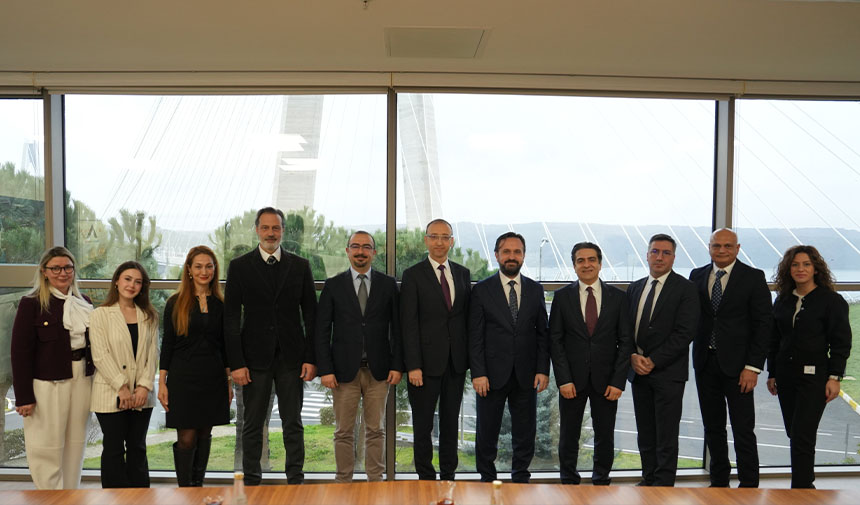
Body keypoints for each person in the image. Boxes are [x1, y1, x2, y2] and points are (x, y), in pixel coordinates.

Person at [224, 207, 318, 485]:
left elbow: (311, 316)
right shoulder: (239, 267)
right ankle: (252, 481)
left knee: (293, 423)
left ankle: (295, 479)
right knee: (252, 424)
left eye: (275, 228)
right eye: (265, 228)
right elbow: (231, 319)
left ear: (283, 231)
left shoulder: (300, 266)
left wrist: (311, 358)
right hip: (253, 360)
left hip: (292, 358)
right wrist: (236, 363)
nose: (270, 233)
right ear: (257, 230)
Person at [315, 231, 403, 482]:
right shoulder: (333, 285)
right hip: (343, 372)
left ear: (374, 252)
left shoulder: (388, 285)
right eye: (356, 246)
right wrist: (326, 370)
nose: (361, 251)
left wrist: (397, 365)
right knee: (343, 431)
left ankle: (375, 482)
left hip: (379, 371)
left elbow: (398, 329)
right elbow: (322, 331)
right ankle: (343, 481)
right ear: (347, 251)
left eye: (366, 247)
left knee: (376, 430)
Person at [689, 229, 771, 488]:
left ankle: (749, 485)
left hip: (740, 368)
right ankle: (719, 482)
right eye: (716, 245)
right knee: (713, 427)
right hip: (705, 363)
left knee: (743, 429)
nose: (721, 250)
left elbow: (763, 325)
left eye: (727, 246)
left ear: (737, 248)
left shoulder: (753, 277)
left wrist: (753, 367)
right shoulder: (697, 275)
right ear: (709, 247)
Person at [767, 245, 851, 489]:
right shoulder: (783, 299)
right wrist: (772, 373)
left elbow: (841, 342)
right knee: (794, 433)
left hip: (815, 378)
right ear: (788, 269)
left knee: (803, 433)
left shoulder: (831, 301)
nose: (800, 269)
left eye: (806, 264)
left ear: (816, 269)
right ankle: (803, 487)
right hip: (785, 377)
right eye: (795, 265)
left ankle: (802, 489)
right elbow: (774, 340)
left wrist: (835, 377)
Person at [549, 241, 633, 486]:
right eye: (580, 260)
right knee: (568, 434)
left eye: (591, 259)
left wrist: (618, 381)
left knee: (605, 434)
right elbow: (555, 341)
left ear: (600, 263)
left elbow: (625, 342)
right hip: (571, 380)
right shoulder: (562, 297)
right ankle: (568, 479)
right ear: (574, 266)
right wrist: (563, 379)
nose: (586, 265)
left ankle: (601, 479)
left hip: (607, 381)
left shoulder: (618, 298)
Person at [468, 232, 549, 483]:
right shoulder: (482, 290)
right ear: (497, 255)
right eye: (506, 252)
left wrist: (542, 369)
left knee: (525, 432)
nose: (511, 257)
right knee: (487, 432)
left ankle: (520, 478)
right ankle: (487, 478)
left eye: (517, 252)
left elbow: (543, 334)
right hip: (490, 376)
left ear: (523, 256)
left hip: (526, 374)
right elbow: (475, 336)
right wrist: (478, 373)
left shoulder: (535, 290)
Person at [11, 247, 94, 489]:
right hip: (47, 383)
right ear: (44, 272)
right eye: (55, 268)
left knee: (76, 442)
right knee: (46, 443)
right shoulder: (31, 304)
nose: (62, 273)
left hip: (82, 379)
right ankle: (50, 497)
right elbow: (20, 353)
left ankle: (69, 495)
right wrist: (24, 397)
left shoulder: (84, 303)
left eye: (67, 267)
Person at [401, 218, 471, 480]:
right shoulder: (412, 275)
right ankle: (426, 477)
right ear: (426, 240)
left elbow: (465, 319)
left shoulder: (462, 274)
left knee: (450, 423)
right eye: (434, 236)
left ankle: (448, 475)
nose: (439, 242)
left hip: (455, 363)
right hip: (424, 365)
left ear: (451, 241)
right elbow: (408, 324)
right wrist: (413, 365)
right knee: (423, 424)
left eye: (445, 237)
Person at [627, 233, 698, 487]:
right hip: (638, 372)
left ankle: (664, 485)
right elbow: (625, 329)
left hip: (668, 373)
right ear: (647, 255)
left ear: (673, 258)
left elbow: (685, 333)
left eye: (666, 253)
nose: (660, 257)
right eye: (655, 252)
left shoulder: (686, 289)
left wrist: (653, 360)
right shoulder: (635, 288)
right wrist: (633, 356)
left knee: (666, 434)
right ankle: (648, 479)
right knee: (645, 432)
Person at [158, 246, 233, 487]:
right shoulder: (175, 303)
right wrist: (162, 383)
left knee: (204, 434)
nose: (204, 271)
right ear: (189, 270)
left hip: (213, 377)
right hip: (183, 378)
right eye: (198, 266)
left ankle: (197, 488)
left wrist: (228, 383)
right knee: (187, 438)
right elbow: (167, 345)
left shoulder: (222, 304)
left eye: (209, 266)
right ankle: (185, 491)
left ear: (215, 269)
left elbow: (225, 347)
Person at [89, 261, 159, 488]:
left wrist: (144, 386)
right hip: (110, 393)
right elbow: (100, 355)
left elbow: (152, 354)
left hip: (141, 395)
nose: (132, 285)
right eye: (128, 279)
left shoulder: (149, 315)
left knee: (138, 447)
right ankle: (114, 499)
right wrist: (122, 388)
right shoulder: (100, 315)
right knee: (113, 448)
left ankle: (140, 498)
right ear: (117, 281)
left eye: (138, 282)